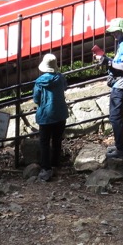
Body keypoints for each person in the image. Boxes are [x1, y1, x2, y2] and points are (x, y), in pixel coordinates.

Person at [95, 18, 123, 159]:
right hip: (121, 85)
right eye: (112, 32)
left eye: (115, 31)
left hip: (122, 85)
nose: (113, 34)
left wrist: (108, 62)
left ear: (122, 31)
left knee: (115, 118)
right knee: (115, 118)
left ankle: (121, 150)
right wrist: (108, 61)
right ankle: (120, 147)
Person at [32, 54, 68, 182]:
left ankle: (46, 168)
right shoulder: (60, 77)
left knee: (45, 142)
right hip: (60, 113)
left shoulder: (39, 82)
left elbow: (36, 98)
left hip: (45, 115)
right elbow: (65, 88)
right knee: (57, 139)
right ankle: (56, 163)